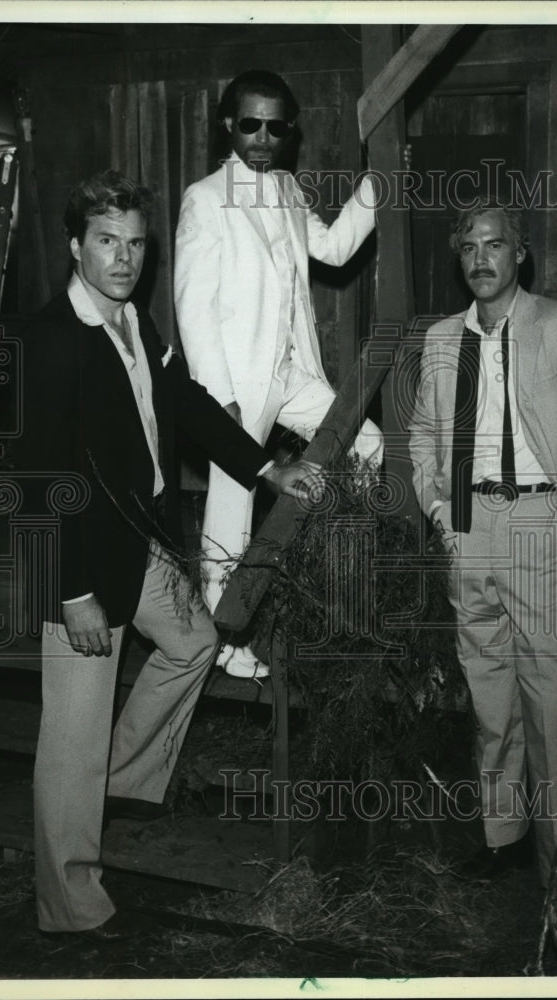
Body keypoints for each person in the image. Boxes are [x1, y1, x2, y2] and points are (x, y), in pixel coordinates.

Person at [15, 170, 323, 939]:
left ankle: (110, 782)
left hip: (140, 542)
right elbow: (31, 482)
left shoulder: (134, 324)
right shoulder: (51, 339)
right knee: (68, 743)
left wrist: (266, 465)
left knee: (195, 640)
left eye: (135, 244)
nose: (123, 258)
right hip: (83, 560)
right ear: (74, 247)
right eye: (106, 242)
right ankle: (71, 909)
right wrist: (70, 592)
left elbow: (182, 402)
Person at [408, 204, 557, 886]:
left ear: (519, 256)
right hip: (469, 523)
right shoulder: (443, 339)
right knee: (486, 692)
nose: (481, 258)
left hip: (539, 519)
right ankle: (501, 836)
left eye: (494, 245)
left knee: (548, 700)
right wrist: (441, 509)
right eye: (469, 247)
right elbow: (422, 434)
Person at [174, 69, 383, 679]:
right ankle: (225, 640)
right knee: (230, 507)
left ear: (289, 132)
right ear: (227, 125)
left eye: (275, 126)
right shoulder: (205, 198)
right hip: (236, 384)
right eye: (249, 124)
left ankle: (333, 569)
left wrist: (380, 178)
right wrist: (219, 400)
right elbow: (193, 307)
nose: (262, 137)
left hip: (290, 372)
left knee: (365, 442)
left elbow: (337, 249)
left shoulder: (289, 190)